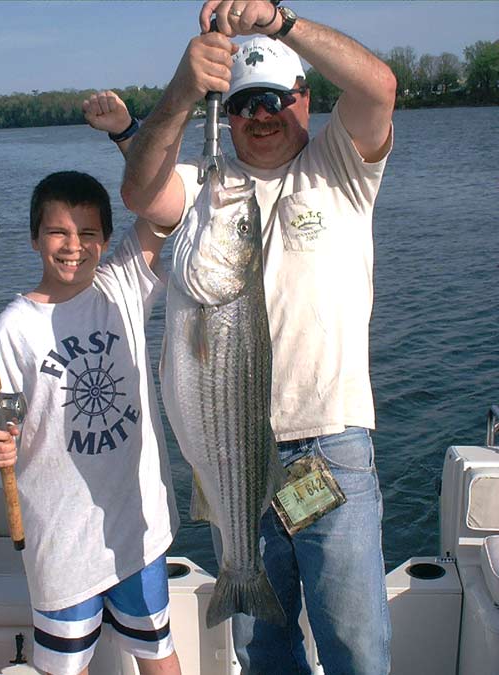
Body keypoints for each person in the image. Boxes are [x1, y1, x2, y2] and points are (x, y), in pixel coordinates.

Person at [120, 1, 396, 674]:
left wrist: (279, 21)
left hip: (330, 446)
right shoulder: (208, 184)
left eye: (276, 97)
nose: (262, 114)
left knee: (355, 646)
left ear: (306, 98)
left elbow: (379, 88)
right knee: (262, 652)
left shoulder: (340, 163)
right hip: (229, 450)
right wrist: (184, 88)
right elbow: (140, 192)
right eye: (245, 103)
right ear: (228, 114)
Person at [0, 91, 181, 675]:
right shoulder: (14, 328)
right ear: (35, 238)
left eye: (88, 232)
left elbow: (166, 213)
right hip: (59, 544)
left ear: (106, 240)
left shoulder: (123, 283)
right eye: (58, 232)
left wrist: (126, 132)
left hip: (136, 530)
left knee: (158, 652)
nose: (73, 246)